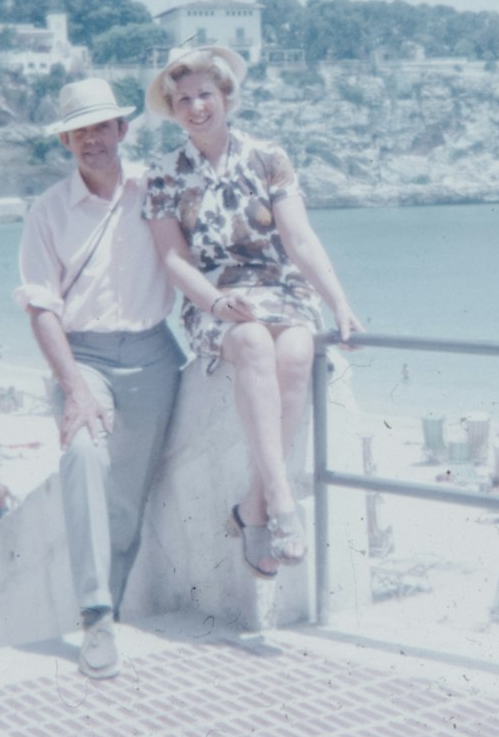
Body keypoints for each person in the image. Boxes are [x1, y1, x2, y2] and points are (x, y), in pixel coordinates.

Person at [143, 46, 362, 579]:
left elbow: (300, 238)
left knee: (296, 348)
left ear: (226, 97)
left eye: (205, 95)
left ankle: (255, 505)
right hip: (214, 296)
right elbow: (173, 258)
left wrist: (341, 304)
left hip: (279, 288)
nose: (196, 107)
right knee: (251, 342)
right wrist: (216, 302)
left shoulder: (269, 157)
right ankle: (282, 503)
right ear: (172, 109)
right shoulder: (163, 173)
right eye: (184, 99)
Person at [16, 77, 184, 680]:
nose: (92, 139)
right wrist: (75, 388)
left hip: (156, 357)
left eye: (102, 126)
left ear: (123, 130)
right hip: (82, 357)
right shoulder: (48, 213)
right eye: (79, 130)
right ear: (66, 140)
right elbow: (42, 308)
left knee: (127, 503)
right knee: (82, 453)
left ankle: (110, 607)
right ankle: (95, 618)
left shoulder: (157, 188)